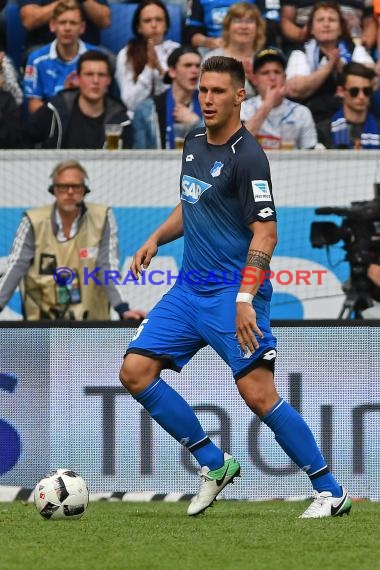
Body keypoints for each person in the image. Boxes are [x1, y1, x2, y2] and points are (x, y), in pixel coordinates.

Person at [119, 55, 352, 518]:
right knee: (135, 372)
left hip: (232, 292)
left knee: (258, 394)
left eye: (218, 91)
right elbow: (192, 203)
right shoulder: (191, 142)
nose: (206, 99)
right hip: (189, 291)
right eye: (203, 90)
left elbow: (266, 233)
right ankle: (213, 462)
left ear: (240, 96)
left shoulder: (249, 157)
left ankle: (330, 490)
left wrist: (245, 298)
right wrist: (155, 237)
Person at [0, 160, 146, 321]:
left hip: (91, 324)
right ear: (53, 190)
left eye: (76, 187)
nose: (69, 192)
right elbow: (15, 267)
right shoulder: (32, 221)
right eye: (63, 187)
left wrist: (122, 308)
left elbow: (108, 266)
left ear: (85, 190)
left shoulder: (102, 217)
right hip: (42, 324)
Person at [285, 1, 374, 124]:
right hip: (313, 119)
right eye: (320, 20)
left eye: (332, 20)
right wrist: (328, 66)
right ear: (311, 29)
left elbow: (372, 79)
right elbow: (294, 89)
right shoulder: (300, 53)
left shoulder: (354, 49)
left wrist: (341, 66)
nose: (326, 24)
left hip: (352, 118)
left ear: (340, 29)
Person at [25, 50, 133, 148]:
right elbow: (24, 138)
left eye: (101, 75)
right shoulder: (55, 109)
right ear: (78, 79)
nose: (95, 81)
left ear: (109, 80)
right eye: (89, 74)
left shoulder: (120, 120)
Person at [24, 0, 99, 115]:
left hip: (87, 122)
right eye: (62, 22)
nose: (67, 28)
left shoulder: (96, 58)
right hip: (51, 126)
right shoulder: (36, 60)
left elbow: (101, 102)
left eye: (73, 23)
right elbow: (34, 106)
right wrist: (62, 102)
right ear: (53, 25)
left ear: (82, 27)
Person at [241, 47, 317, 149]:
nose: (272, 78)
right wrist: (267, 105)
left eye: (277, 72)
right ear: (255, 79)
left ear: (285, 77)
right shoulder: (243, 109)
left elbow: (311, 156)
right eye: (265, 73)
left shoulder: (301, 113)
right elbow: (238, 144)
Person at [115, 0, 180, 113]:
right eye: (147, 20)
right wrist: (149, 67)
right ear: (139, 27)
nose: (154, 25)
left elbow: (182, 96)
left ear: (166, 25)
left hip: (172, 115)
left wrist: (159, 68)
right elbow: (130, 102)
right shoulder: (126, 54)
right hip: (138, 118)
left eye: (159, 20)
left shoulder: (177, 51)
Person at [133, 45, 203, 149]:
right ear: (172, 72)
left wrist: (197, 123)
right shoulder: (146, 110)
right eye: (188, 65)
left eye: (198, 66)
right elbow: (138, 156)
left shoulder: (211, 105)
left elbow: (221, 150)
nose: (195, 71)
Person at [203, 2, 266, 99]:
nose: (244, 27)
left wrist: (255, 82)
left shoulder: (265, 60)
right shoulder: (212, 59)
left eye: (249, 21)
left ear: (258, 28)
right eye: (238, 21)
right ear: (228, 27)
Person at [317, 61, 380, 148]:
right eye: (354, 91)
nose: (361, 96)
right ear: (341, 92)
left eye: (366, 91)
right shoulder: (324, 131)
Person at [19, 0, 111, 52]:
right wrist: (64, 2)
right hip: (43, 46)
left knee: (109, 60)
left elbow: (105, 21)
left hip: (87, 48)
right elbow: (29, 20)